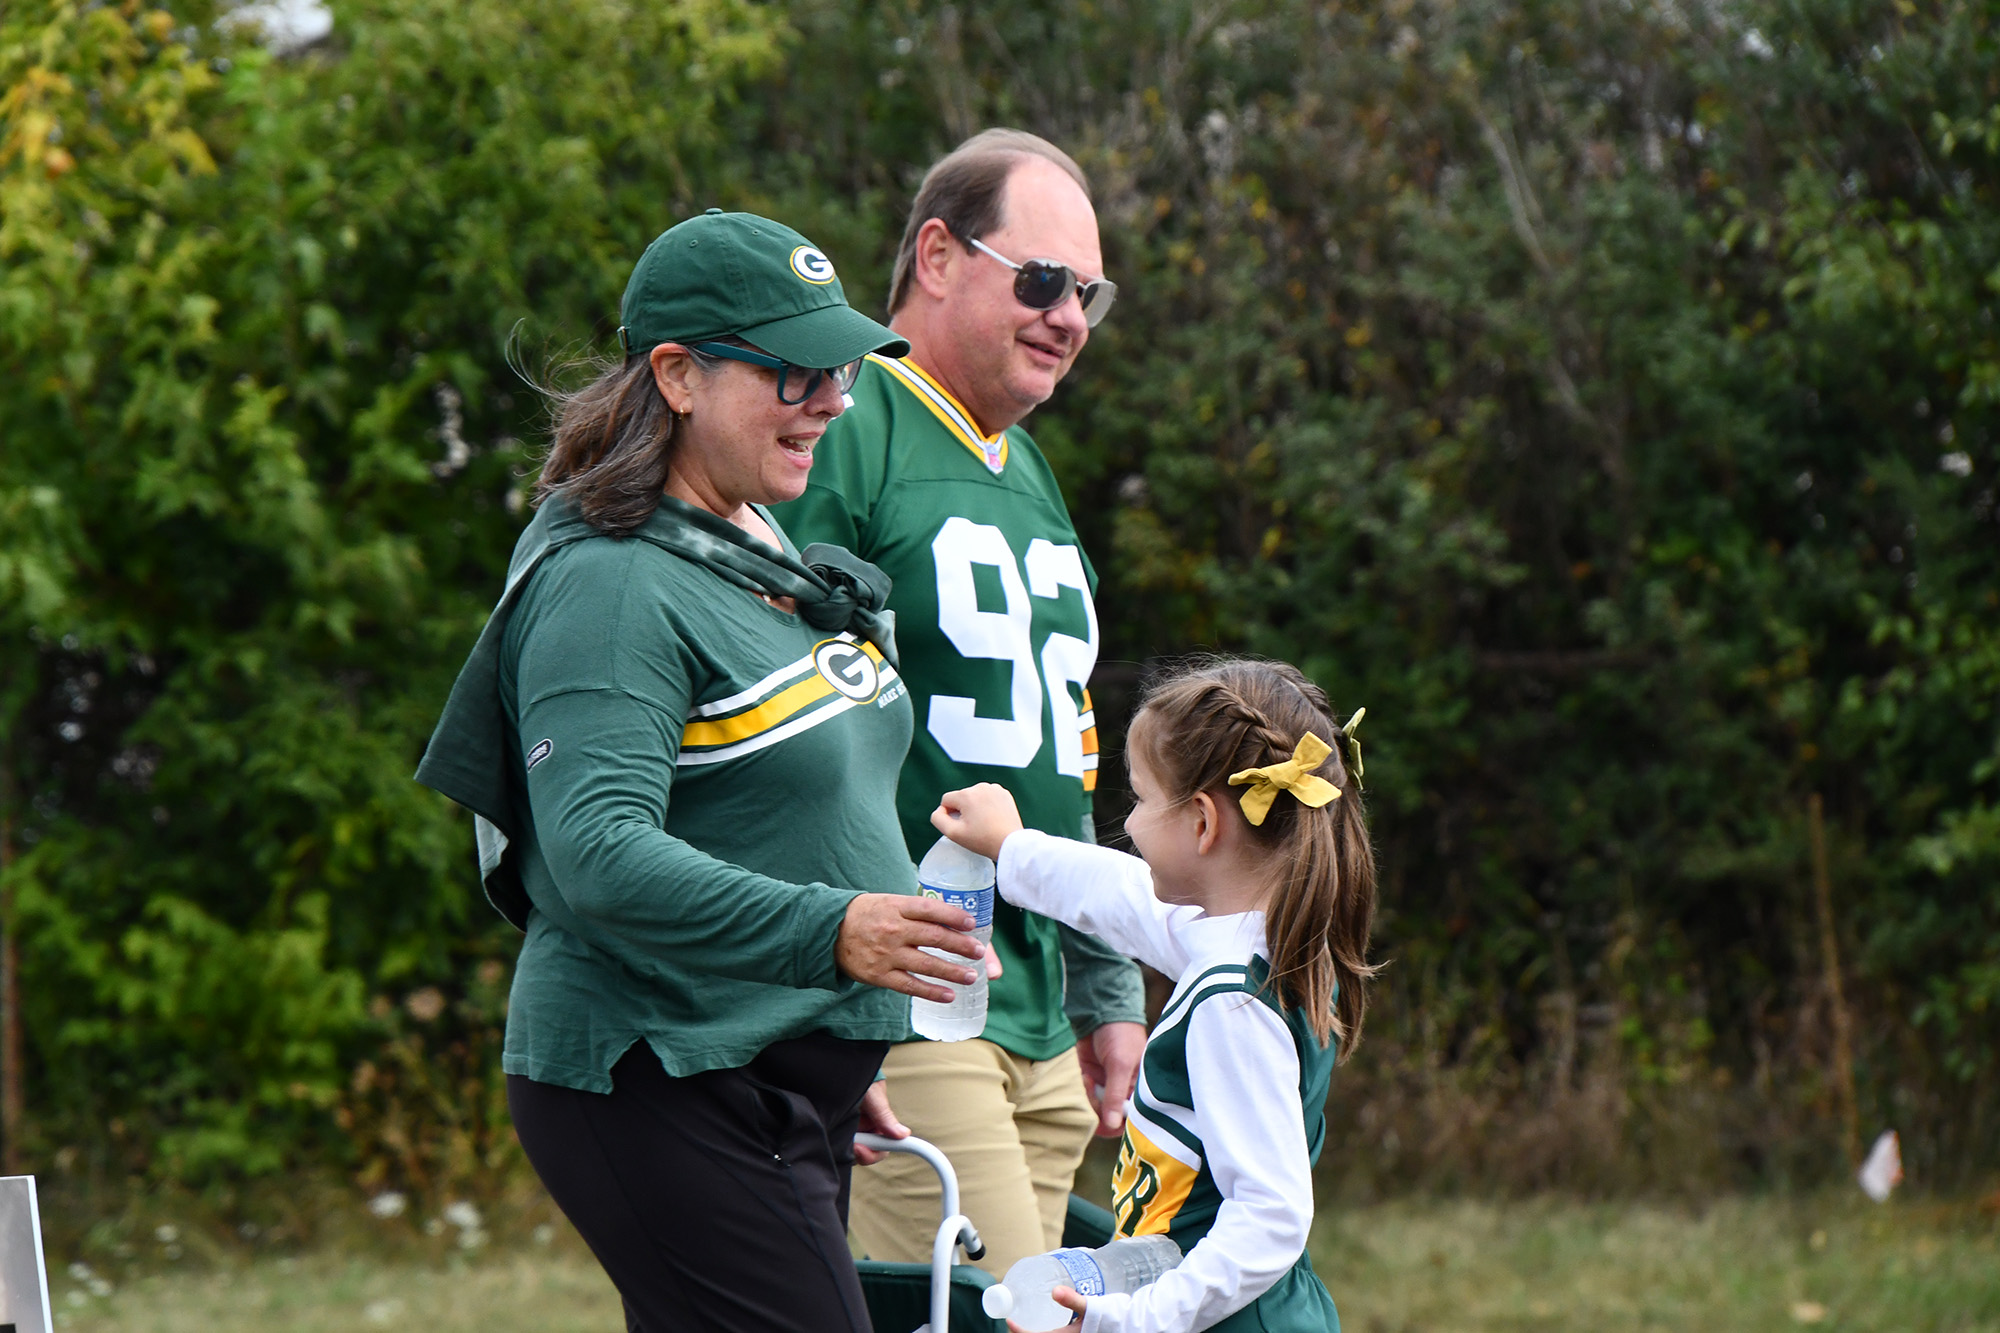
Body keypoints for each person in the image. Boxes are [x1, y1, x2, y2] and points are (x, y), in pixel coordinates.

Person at [415, 209, 996, 1332]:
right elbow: (595, 857)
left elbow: (785, 813)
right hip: (656, 1077)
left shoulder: (747, 547)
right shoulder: (611, 584)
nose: (829, 399)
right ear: (677, 375)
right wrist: (831, 935)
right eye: (791, 373)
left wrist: (823, 1023)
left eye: (839, 371)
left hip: (770, 1068)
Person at [772, 128, 1149, 1275]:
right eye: (1039, 281)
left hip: (1034, 1002)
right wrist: (834, 987)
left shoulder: (1025, 468)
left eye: (1087, 293)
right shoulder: (847, 429)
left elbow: (1062, 749)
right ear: (935, 256)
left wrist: (1103, 981)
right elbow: (775, 726)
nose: (1068, 317)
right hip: (916, 988)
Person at [931, 658, 1378, 1333]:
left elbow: (1270, 1217)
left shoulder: (1233, 1001)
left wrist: (1129, 1318)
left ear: (1202, 823)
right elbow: (1125, 900)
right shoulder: (1263, 942)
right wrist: (1011, 848)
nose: (1130, 822)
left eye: (1140, 798)